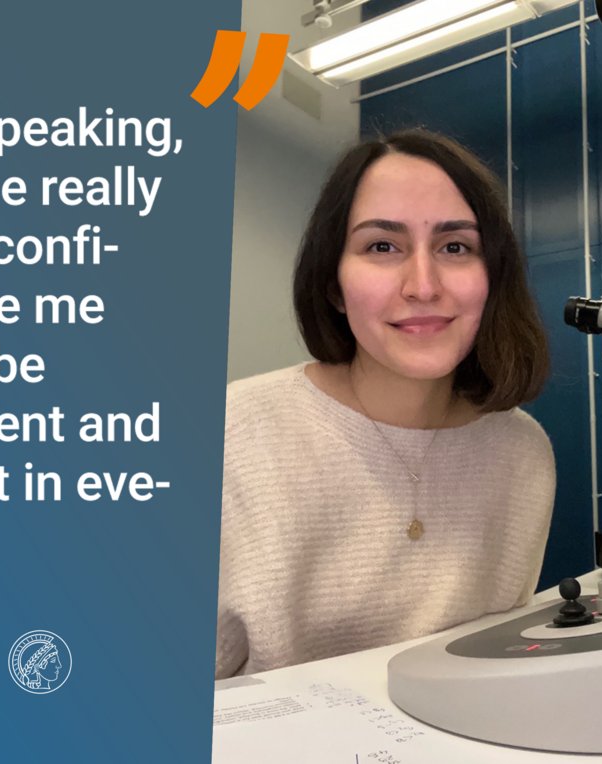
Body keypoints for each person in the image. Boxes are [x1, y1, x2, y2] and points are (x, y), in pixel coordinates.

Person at [216, 129, 555, 679]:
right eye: (381, 246)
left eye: (455, 247)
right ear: (333, 284)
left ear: (491, 277)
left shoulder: (522, 452)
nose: (423, 285)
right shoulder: (232, 437)